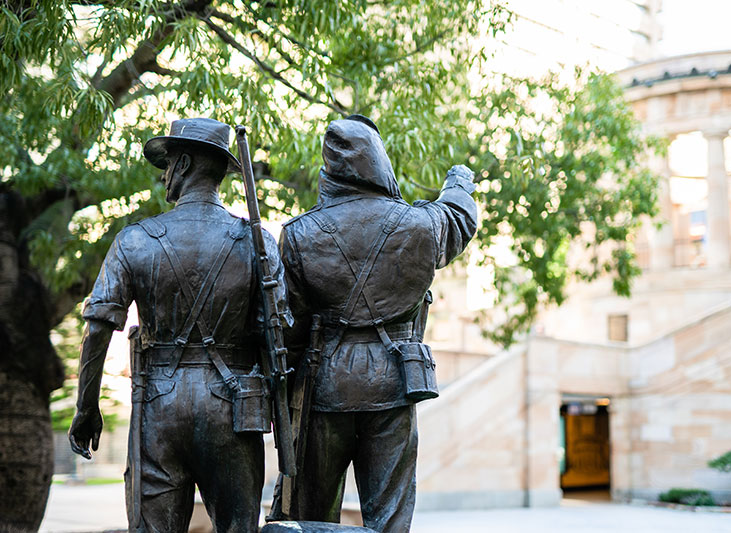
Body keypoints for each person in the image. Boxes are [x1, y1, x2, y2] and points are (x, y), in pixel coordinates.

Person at [68, 118, 290, 532]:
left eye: (168, 165)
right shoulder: (257, 245)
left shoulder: (134, 240)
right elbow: (276, 332)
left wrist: (86, 407)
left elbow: (98, 326)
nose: (165, 175)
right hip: (234, 407)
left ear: (185, 164)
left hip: (158, 406)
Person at [279, 115, 477, 532]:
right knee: (390, 518)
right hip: (395, 383)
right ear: (379, 162)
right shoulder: (420, 224)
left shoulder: (297, 234)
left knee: (312, 516)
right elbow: (460, 218)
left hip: (323, 387)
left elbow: (290, 331)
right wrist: (458, 181)